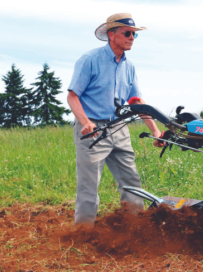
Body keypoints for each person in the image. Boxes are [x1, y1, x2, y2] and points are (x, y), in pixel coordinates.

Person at [67, 13, 164, 226]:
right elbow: (72, 96)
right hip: (92, 129)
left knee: (131, 182)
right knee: (89, 185)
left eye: (134, 35)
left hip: (118, 128)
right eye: (127, 33)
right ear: (112, 35)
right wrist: (85, 122)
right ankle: (83, 234)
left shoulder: (129, 67)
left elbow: (136, 101)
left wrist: (155, 130)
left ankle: (134, 228)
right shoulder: (90, 60)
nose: (131, 38)